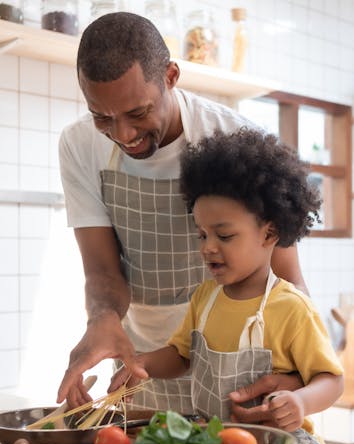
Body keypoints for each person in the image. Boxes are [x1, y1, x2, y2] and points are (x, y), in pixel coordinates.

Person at [57, 12, 307, 419]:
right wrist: (101, 320)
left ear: (171, 76)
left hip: (241, 374)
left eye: (138, 113)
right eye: (102, 116)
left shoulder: (231, 139)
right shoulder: (79, 144)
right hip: (145, 367)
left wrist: (301, 375)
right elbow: (102, 270)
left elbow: (287, 280)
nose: (123, 134)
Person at [108, 128, 344, 431]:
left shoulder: (292, 308)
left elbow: (332, 380)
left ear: (270, 234)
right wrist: (142, 365)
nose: (208, 247)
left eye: (225, 235)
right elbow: (180, 356)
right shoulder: (205, 298)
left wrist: (302, 402)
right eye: (202, 235)